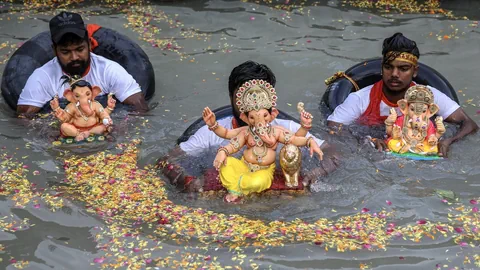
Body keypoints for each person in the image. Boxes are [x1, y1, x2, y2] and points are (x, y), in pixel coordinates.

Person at [158, 61, 338, 192]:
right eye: (245, 101)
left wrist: (314, 174)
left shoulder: (284, 128)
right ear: (231, 98)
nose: (252, 106)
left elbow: (334, 153)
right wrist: (187, 182)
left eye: (259, 100)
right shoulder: (210, 133)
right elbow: (166, 160)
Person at [327, 32, 478, 157]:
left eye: (403, 68)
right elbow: (333, 127)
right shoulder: (360, 99)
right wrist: (366, 139)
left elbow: (469, 124)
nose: (394, 74)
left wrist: (449, 141)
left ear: (415, 72)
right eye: (388, 67)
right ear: (381, 68)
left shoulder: (429, 95)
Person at [204, 79, 324, 203]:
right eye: (252, 117)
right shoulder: (246, 132)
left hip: (264, 170)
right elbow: (230, 140)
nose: (259, 121)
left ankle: (236, 190)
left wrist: (309, 139)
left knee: (257, 182)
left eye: (264, 116)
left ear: (272, 115)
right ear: (245, 118)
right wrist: (215, 129)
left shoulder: (275, 132)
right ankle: (238, 189)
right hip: (244, 165)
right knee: (227, 163)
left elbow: (294, 139)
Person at [16, 11, 149, 116]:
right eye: (65, 52)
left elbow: (140, 109)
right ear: (54, 51)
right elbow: (23, 121)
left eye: (80, 49)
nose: (74, 57)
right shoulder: (42, 77)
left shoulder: (109, 70)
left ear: (90, 45)